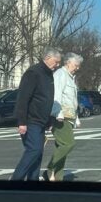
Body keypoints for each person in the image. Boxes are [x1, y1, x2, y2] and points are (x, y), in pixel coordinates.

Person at [10, 48, 62, 181]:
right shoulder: (33, 72)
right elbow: (23, 98)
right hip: (30, 119)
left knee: (38, 154)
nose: (57, 65)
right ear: (48, 57)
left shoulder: (48, 74)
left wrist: (49, 120)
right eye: (56, 62)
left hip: (41, 121)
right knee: (34, 150)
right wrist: (21, 122)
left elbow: (47, 98)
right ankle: (16, 179)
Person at [44, 53, 83, 182]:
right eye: (76, 65)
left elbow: (72, 100)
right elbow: (56, 95)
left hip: (69, 117)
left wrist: (76, 118)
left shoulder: (71, 77)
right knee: (68, 144)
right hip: (61, 117)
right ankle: (50, 168)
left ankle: (57, 177)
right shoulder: (60, 74)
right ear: (68, 62)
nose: (77, 68)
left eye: (78, 66)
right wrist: (58, 113)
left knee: (61, 147)